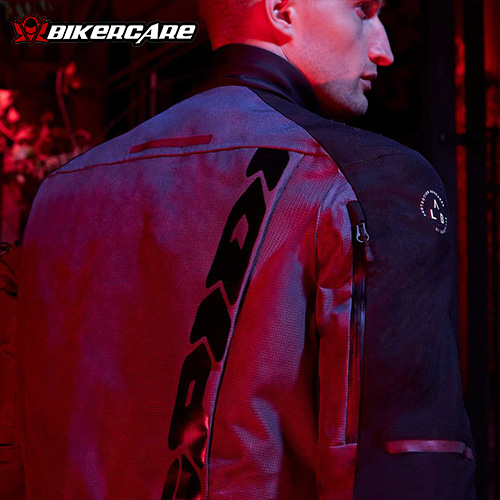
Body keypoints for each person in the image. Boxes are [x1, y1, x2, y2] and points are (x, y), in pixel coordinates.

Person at [18, 0, 476, 498]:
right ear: (281, 10)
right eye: (362, 10)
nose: (384, 50)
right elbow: (409, 471)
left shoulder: (58, 195)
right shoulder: (372, 179)